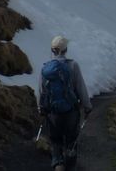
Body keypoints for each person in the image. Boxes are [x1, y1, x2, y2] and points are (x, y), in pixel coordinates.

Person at [38, 35, 91, 171]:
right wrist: (87, 107)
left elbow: (41, 91)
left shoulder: (45, 69)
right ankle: (70, 166)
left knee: (56, 142)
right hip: (71, 112)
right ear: (66, 49)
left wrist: (41, 109)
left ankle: (58, 164)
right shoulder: (73, 65)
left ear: (52, 50)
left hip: (53, 114)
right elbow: (81, 88)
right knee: (71, 142)